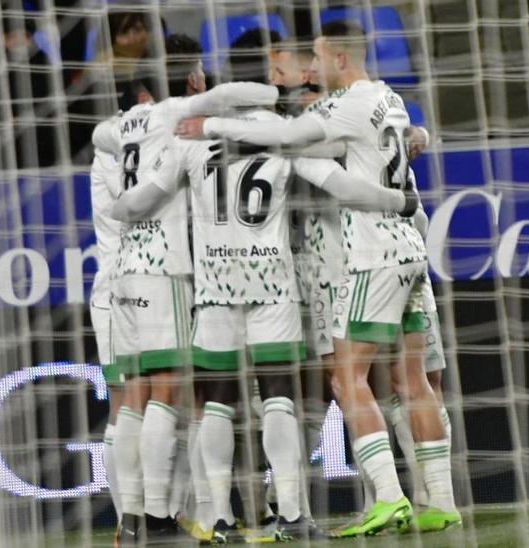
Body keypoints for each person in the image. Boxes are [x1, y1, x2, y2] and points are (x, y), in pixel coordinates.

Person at [175, 20, 461, 536]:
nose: (306, 67)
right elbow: (360, 162)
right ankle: (430, 499)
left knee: (317, 385)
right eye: (288, 65)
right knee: (404, 382)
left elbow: (311, 157)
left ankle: (377, 499)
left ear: (338, 61)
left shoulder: (316, 116)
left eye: (311, 60)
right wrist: (410, 172)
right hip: (389, 253)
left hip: (324, 267)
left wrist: (212, 126)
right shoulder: (388, 100)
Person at [105, 33, 281, 546]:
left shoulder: (124, 126)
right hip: (166, 269)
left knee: (135, 397)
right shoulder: (173, 119)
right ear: (188, 80)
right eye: (199, 71)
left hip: (125, 271)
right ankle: (159, 516)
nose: (206, 77)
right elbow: (243, 96)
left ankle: (133, 516)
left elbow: (99, 139)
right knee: (168, 392)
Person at [88, 111, 125, 526]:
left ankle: (173, 513)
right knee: (125, 406)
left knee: (176, 403)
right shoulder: (111, 145)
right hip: (118, 292)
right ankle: (126, 518)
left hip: (159, 286)